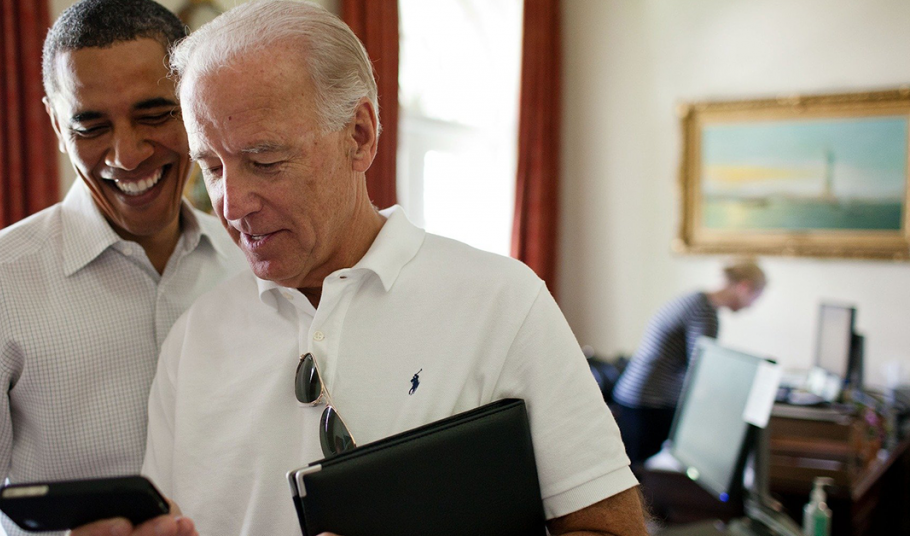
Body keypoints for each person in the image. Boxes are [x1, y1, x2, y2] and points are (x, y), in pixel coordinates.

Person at [75, 1, 646, 535]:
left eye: (264, 160)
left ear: (360, 136)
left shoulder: (503, 303)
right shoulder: (193, 341)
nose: (231, 204)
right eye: (213, 167)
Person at [0, 1, 246, 534]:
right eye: (90, 125)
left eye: (154, 115)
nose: (127, 155)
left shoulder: (254, 263)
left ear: (195, 104)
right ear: (57, 124)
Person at [612, 260, 767, 470]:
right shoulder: (704, 311)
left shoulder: (696, 300)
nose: (751, 306)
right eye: (755, 298)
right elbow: (703, 369)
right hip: (649, 401)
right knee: (642, 473)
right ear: (744, 287)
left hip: (637, 395)